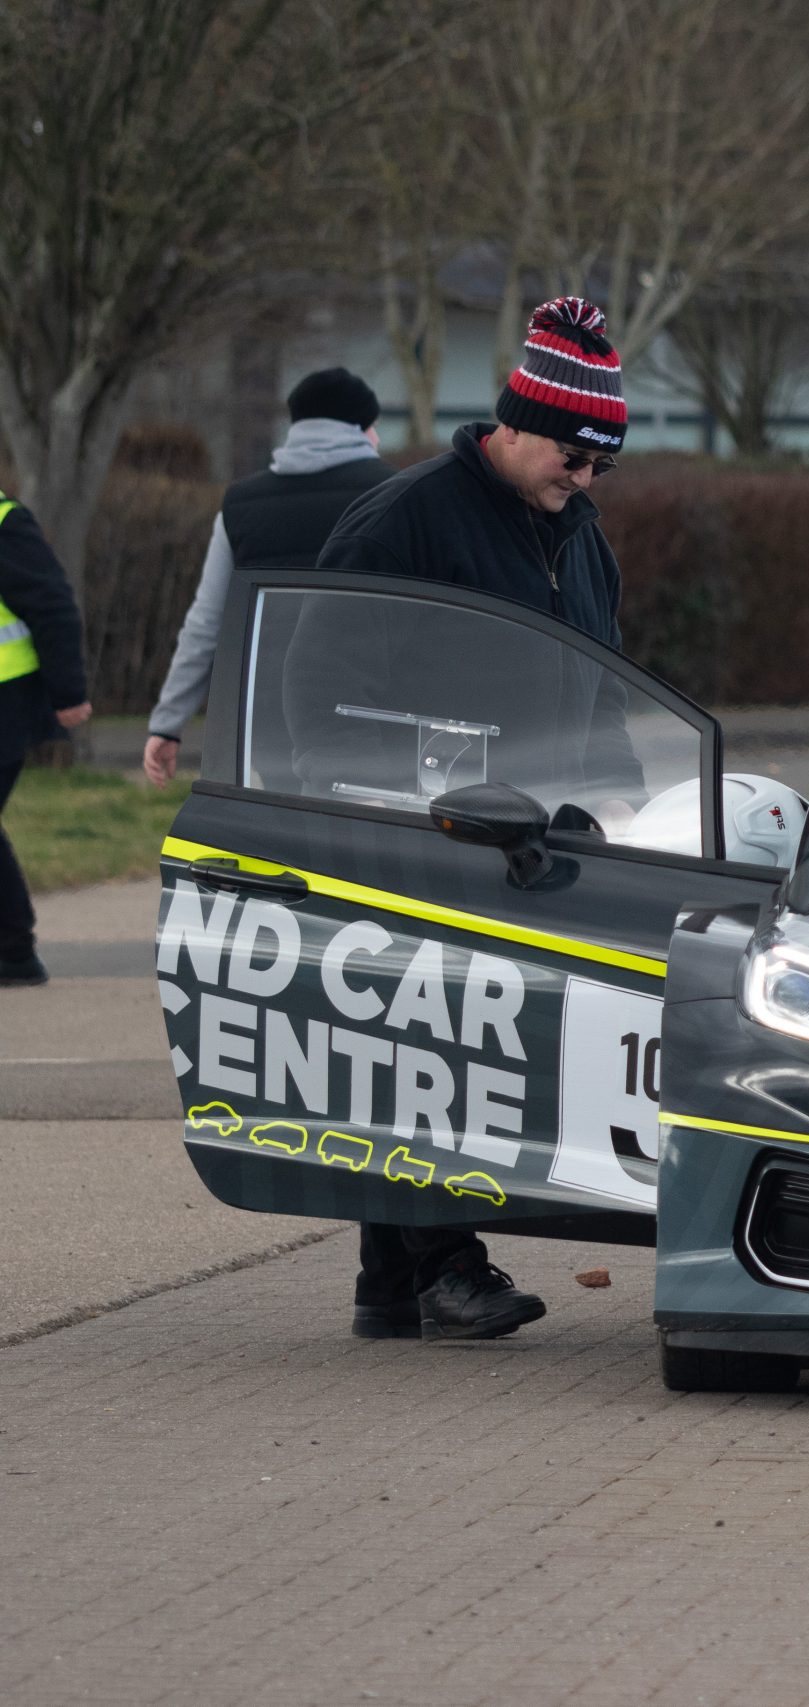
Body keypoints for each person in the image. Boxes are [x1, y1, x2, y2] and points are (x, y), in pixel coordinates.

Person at [312, 295, 633, 1345]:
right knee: (423, 1050)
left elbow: (603, 688)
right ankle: (448, 1267)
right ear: (516, 422)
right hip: (412, 834)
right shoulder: (403, 523)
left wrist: (618, 796)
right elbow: (319, 686)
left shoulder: (581, 544)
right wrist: (377, 794)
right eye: (571, 458)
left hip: (532, 841)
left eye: (601, 467)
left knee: (449, 1049)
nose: (583, 482)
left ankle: (388, 1283)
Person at [142, 368, 393, 786]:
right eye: (374, 428)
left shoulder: (240, 504)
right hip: (367, 717)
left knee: (284, 838)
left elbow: (206, 622)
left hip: (266, 718)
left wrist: (167, 724)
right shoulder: (391, 495)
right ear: (358, 428)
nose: (378, 440)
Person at [0, 494, 93, 988]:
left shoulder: (5, 524)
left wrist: (69, 693)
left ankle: (15, 951)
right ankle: (14, 951)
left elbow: (53, 605)